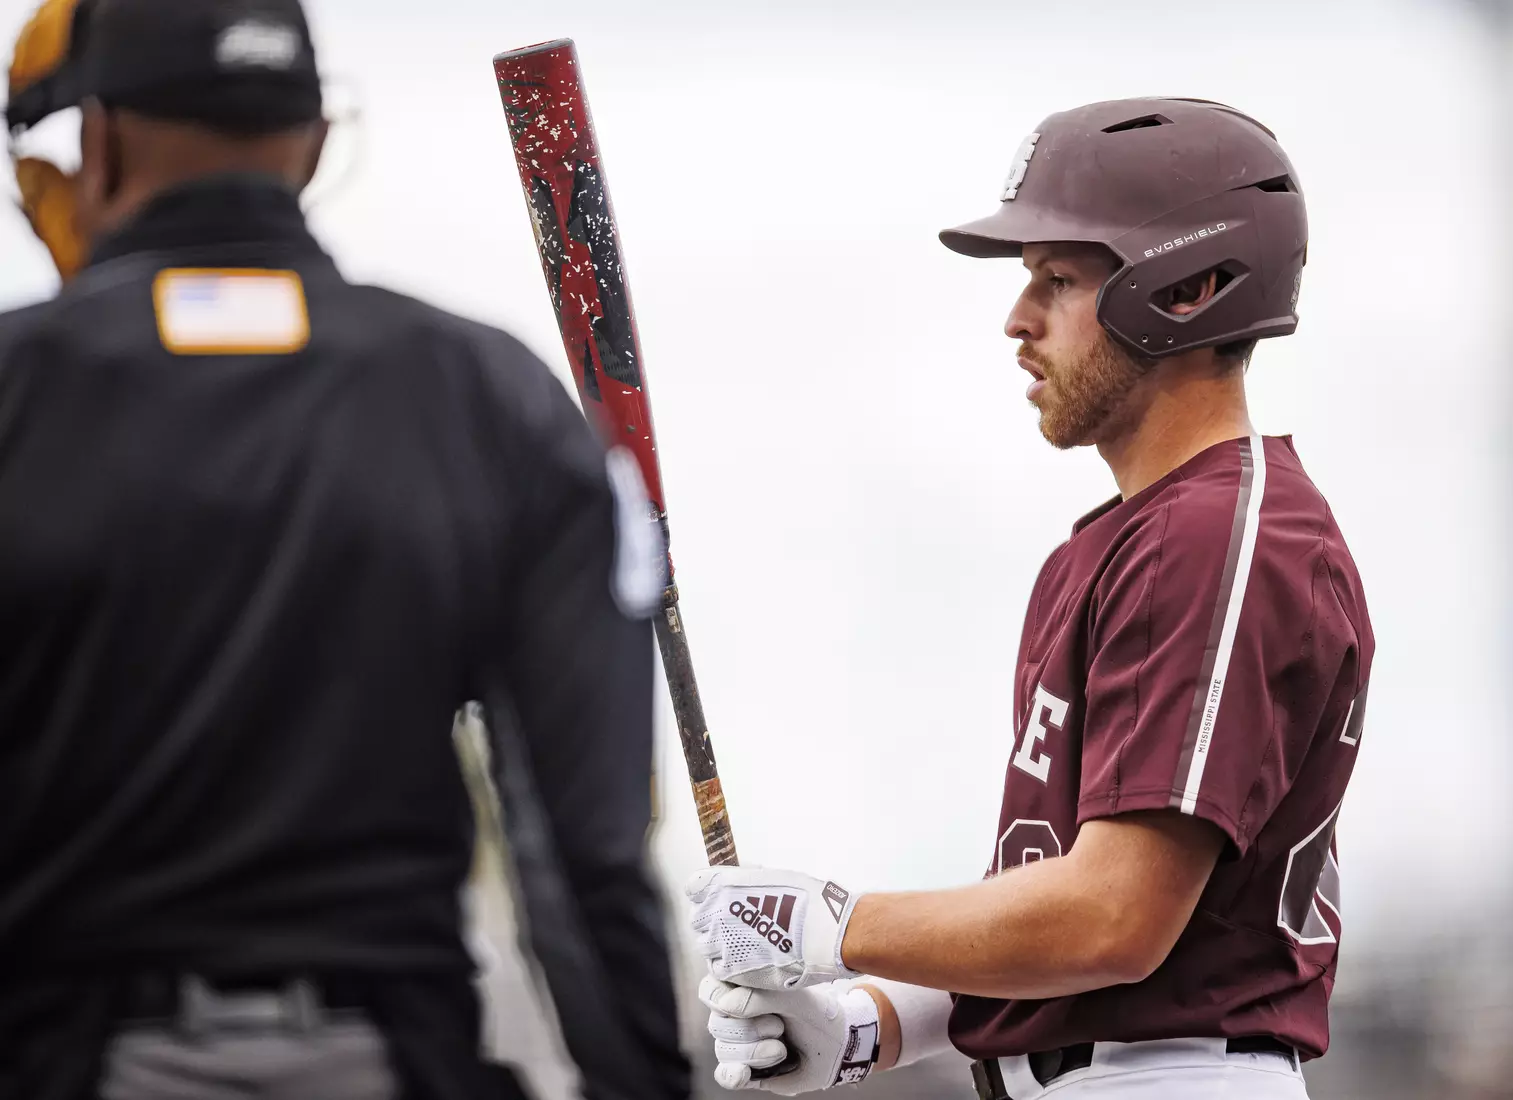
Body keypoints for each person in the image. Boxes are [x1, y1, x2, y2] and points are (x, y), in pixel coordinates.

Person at [0, 2, 690, 1099]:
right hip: (387, 1058)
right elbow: (575, 846)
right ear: (315, 141)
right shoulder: (486, 396)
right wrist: (646, 1079)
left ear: (100, 139)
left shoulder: (19, 390)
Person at [684, 98, 1375, 1100]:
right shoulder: (1127, 541)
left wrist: (830, 923)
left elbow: (1113, 918)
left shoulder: (1220, 533)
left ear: (1188, 288)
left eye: (1056, 280)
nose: (1017, 319)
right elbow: (1058, 905)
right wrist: (870, 1022)